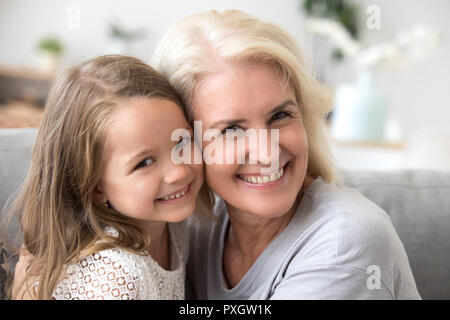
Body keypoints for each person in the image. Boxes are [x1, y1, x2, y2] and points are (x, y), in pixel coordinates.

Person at [152, 9, 421, 299]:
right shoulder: (196, 230)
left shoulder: (345, 240)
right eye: (231, 130)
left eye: (280, 115)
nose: (267, 154)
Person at [8, 55, 204, 299]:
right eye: (144, 162)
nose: (179, 171)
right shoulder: (114, 279)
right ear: (95, 188)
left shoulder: (174, 225)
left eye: (182, 141)